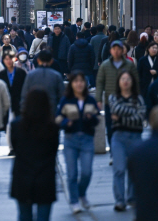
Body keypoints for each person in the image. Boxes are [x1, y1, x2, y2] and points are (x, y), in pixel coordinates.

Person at [10, 89, 60, 221]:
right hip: (45, 176)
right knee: (44, 217)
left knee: (24, 216)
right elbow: (54, 149)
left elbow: (15, 148)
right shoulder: (52, 127)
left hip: (23, 176)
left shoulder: (16, 125)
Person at [56, 72, 100, 214]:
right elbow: (57, 118)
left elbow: (98, 118)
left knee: (87, 172)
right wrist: (65, 122)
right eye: (76, 81)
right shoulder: (66, 100)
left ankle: (81, 193)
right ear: (71, 84)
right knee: (72, 174)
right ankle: (75, 201)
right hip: (71, 140)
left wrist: (91, 118)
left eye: (81, 81)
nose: (79, 84)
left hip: (87, 139)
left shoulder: (90, 100)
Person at [107, 71, 146, 212]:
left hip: (135, 137)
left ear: (132, 82)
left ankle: (132, 197)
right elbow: (115, 109)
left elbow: (140, 117)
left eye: (128, 79)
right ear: (118, 81)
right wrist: (132, 112)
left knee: (134, 169)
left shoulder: (139, 99)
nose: (125, 81)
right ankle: (119, 200)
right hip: (118, 137)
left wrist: (122, 116)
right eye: (122, 79)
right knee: (119, 169)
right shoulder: (113, 97)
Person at [96, 40, 140, 150]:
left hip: (127, 99)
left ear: (122, 50)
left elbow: (136, 81)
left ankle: (126, 148)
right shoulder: (105, 65)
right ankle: (113, 150)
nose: (116, 51)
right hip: (109, 101)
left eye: (118, 49)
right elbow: (100, 82)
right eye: (114, 49)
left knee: (126, 125)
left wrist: (137, 97)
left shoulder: (129, 65)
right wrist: (98, 99)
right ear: (110, 51)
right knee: (111, 127)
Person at [0, 52, 27, 153]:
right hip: (6, 103)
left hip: (19, 103)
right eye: (6, 59)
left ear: (14, 59)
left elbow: (25, 88)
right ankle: (11, 147)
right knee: (8, 127)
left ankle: (20, 145)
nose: (8, 61)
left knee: (20, 125)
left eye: (10, 59)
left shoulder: (21, 73)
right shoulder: (1, 74)